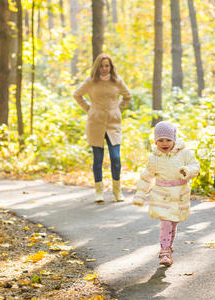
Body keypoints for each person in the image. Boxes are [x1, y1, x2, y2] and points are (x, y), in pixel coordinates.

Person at [133, 121, 200, 267]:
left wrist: (187, 171)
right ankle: (164, 251)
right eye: (160, 140)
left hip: (179, 194)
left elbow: (195, 166)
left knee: (173, 224)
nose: (164, 143)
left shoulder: (184, 153)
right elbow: (146, 177)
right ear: (155, 141)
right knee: (166, 222)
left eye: (168, 140)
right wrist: (140, 193)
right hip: (161, 195)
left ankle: (168, 246)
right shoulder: (155, 158)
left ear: (174, 140)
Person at [73, 53, 132, 203]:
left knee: (115, 157)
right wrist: (89, 109)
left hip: (113, 123)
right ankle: (99, 192)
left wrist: (118, 108)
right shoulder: (90, 82)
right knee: (98, 158)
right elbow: (77, 95)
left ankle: (117, 191)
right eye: (102, 66)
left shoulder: (117, 81)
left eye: (107, 66)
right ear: (97, 67)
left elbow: (128, 96)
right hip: (96, 122)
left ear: (111, 67)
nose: (104, 69)